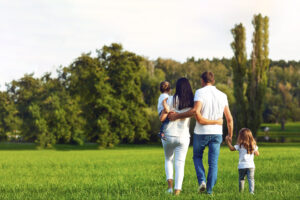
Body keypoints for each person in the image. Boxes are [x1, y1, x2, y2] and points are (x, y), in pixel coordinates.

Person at [169, 71, 233, 195]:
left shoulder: (200, 92)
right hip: (217, 133)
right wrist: (229, 136)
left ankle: (202, 181)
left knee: (197, 157)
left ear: (202, 81)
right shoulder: (223, 95)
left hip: (201, 132)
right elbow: (229, 119)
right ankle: (209, 191)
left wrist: (177, 115)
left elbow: (194, 111)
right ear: (213, 81)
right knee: (213, 163)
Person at [160, 77, 222, 195]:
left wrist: (165, 106)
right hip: (183, 136)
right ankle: (178, 190)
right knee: (180, 162)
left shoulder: (170, 99)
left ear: (177, 87)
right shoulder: (191, 102)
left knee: (168, 159)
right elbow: (194, 112)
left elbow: (163, 117)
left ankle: (169, 188)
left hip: (168, 135)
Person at [225, 128, 259, 194]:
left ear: (240, 137)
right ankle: (251, 192)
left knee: (241, 179)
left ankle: (241, 192)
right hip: (251, 166)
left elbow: (232, 149)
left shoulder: (240, 145)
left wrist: (228, 142)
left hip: (242, 166)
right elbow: (257, 153)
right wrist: (253, 151)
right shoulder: (253, 145)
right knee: (251, 179)